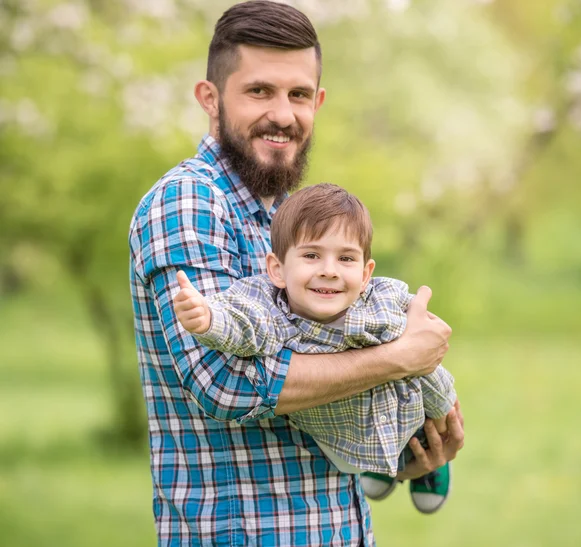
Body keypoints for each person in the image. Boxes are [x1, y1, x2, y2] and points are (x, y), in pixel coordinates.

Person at [129, 1, 463, 545]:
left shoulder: (297, 219)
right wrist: (397, 358)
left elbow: (326, 372)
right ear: (210, 100)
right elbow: (225, 384)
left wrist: (394, 448)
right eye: (259, 91)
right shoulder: (188, 202)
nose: (282, 114)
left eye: (298, 94)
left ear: (318, 102)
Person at [173, 183, 457, 515]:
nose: (329, 269)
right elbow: (244, 324)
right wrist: (209, 318)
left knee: (434, 416)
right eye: (311, 255)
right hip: (339, 432)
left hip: (405, 406)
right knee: (348, 456)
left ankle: (423, 456)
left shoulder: (378, 304)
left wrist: (443, 412)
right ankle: (378, 464)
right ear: (277, 269)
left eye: (346, 258)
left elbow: (424, 342)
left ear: (366, 274)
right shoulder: (274, 313)